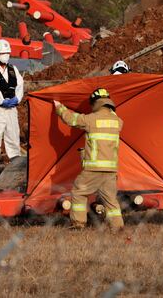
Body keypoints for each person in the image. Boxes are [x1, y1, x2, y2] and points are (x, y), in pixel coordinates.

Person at [53, 88, 124, 231]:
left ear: (95, 103)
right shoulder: (118, 121)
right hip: (110, 170)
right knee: (110, 200)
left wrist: (59, 107)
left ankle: (78, 224)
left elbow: (71, 119)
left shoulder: (91, 119)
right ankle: (118, 226)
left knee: (79, 192)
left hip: (94, 168)